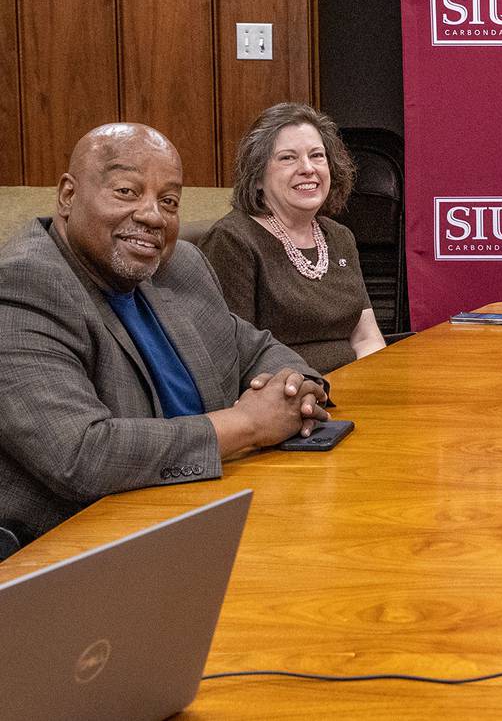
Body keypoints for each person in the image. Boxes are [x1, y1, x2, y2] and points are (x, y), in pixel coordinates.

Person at [0, 123, 329, 551]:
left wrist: (294, 390)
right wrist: (247, 425)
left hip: (212, 512)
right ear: (68, 196)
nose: (153, 216)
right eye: (127, 192)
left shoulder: (177, 266)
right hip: (85, 550)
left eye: (168, 200)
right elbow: (80, 454)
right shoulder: (25, 284)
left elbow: (257, 349)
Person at [199, 103, 384, 374]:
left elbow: (366, 338)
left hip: (356, 388)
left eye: (317, 156)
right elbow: (234, 356)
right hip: (289, 397)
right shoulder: (232, 241)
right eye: (288, 158)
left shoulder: (340, 237)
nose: (307, 168)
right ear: (258, 176)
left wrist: (379, 386)